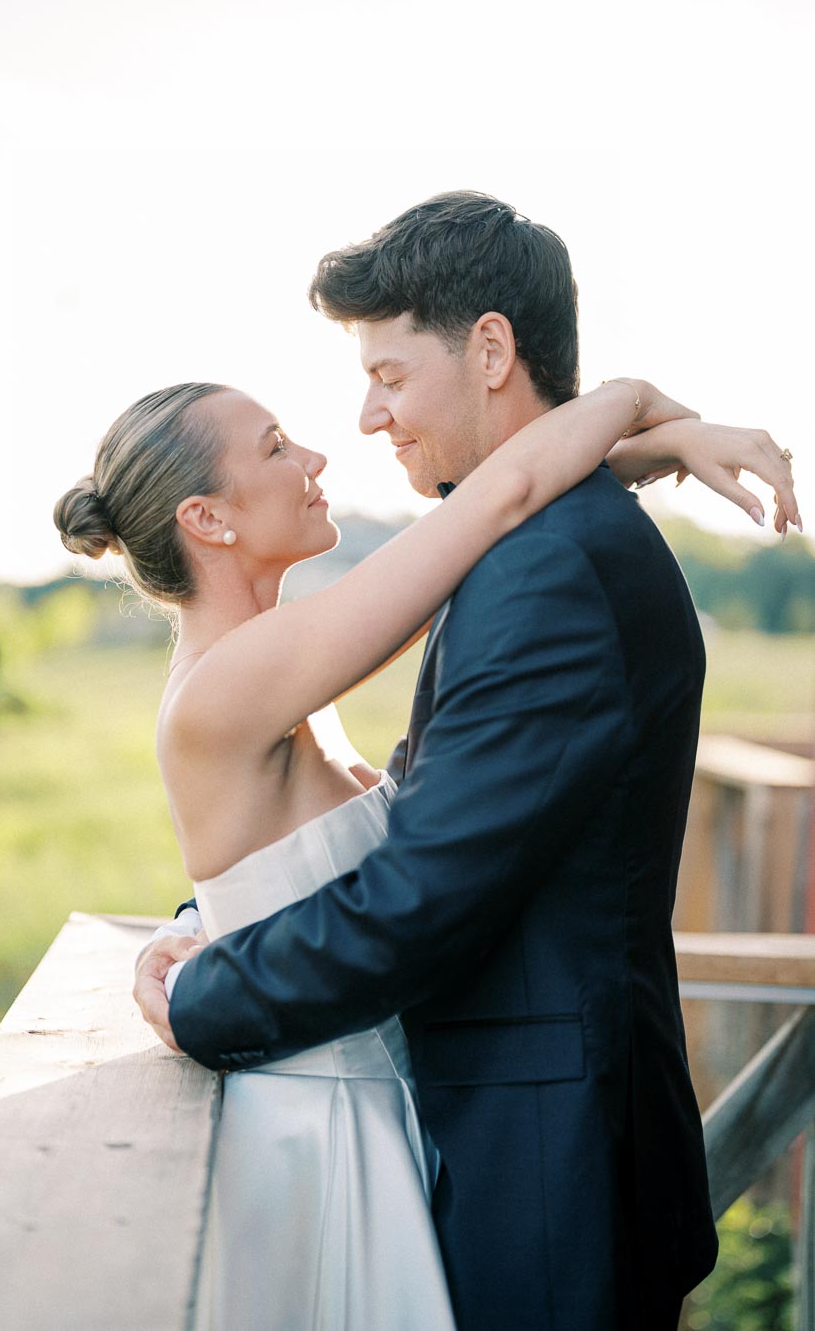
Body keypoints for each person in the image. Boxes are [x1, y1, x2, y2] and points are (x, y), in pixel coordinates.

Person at [130, 194, 800, 1331]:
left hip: (545, 1160)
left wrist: (204, 997)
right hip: (502, 1136)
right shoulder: (526, 550)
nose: (365, 418)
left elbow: (419, 891)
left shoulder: (541, 572)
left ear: (490, 350)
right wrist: (225, 908)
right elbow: (411, 806)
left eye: (391, 376)